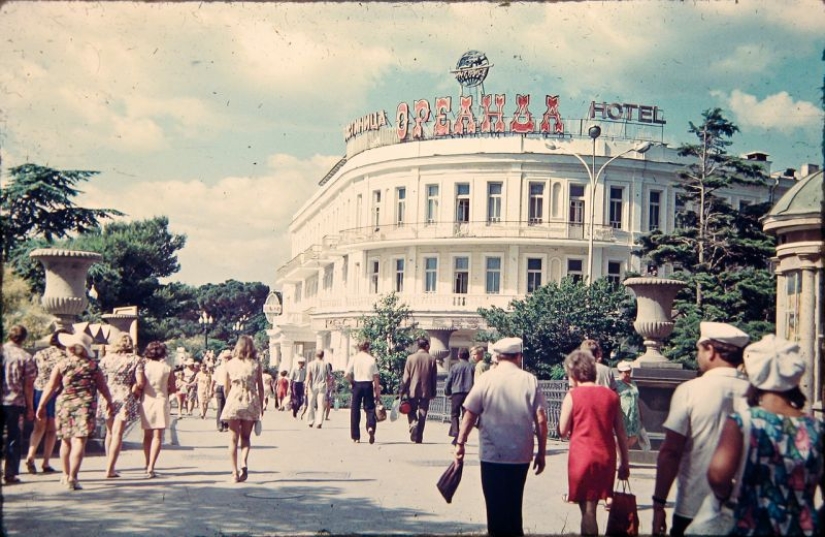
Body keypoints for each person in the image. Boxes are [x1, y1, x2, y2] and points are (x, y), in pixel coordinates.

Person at [708, 334, 824, 536]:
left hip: (753, 525)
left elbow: (718, 475)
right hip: (802, 529)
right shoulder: (817, 428)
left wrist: (727, 497)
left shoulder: (742, 422)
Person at [652, 321, 751, 536]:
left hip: (693, 508)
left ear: (711, 350)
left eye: (699, 349)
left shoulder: (690, 391)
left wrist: (659, 503)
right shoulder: (756, 394)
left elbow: (671, 452)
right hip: (745, 513)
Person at [454, 337, 547, 537]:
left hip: (492, 454)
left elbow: (470, 413)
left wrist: (460, 443)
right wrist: (542, 452)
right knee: (514, 506)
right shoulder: (529, 380)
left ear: (497, 356)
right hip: (520, 454)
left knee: (495, 509)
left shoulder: (487, 378)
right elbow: (541, 419)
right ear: (518, 357)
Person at [559, 349, 631, 536]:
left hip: (582, 456)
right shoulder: (611, 396)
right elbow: (621, 433)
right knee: (597, 503)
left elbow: (562, 430)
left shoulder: (572, 396)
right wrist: (624, 462)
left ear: (574, 373)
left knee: (588, 511)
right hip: (605, 457)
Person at [36, 331, 113, 490]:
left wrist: (41, 405)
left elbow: (51, 386)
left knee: (65, 440)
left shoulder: (62, 364)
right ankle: (73, 477)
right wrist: (110, 402)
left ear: (70, 347)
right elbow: (102, 387)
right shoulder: (92, 366)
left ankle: (65, 474)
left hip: (65, 404)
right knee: (79, 441)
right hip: (85, 405)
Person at [220, 335, 264, 483]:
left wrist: (229, 401)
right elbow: (261, 387)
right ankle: (243, 463)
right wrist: (262, 405)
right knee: (245, 437)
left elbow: (226, 387)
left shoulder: (230, 364)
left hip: (234, 400)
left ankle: (234, 473)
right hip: (250, 401)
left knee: (232, 439)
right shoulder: (256, 364)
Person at [24, 329, 69, 475]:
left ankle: (30, 455)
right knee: (52, 430)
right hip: (56, 392)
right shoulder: (66, 356)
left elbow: (32, 375)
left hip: (39, 391)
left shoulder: (39, 354)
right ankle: (46, 462)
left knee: (38, 427)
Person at [98, 334, 141, 478]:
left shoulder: (106, 359)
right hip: (124, 394)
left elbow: (100, 379)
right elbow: (140, 382)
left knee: (109, 433)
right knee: (118, 434)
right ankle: (110, 468)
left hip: (107, 394)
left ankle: (108, 464)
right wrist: (134, 394)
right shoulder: (135, 360)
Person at [134, 341, 176, 478]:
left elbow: (140, 384)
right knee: (158, 436)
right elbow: (173, 388)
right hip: (161, 400)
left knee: (147, 435)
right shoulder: (167, 368)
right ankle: (151, 466)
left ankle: (146, 463)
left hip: (146, 401)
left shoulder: (144, 367)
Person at [2, 325, 36, 485]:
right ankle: (10, 473)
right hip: (15, 401)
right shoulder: (25, 357)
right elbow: (29, 385)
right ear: (24, 338)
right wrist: (30, 407)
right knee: (14, 437)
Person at [400, 337, 437, 443]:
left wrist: (402, 391)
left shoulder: (410, 358)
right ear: (427, 346)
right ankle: (419, 436)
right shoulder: (432, 359)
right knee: (423, 412)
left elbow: (406, 377)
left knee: (411, 410)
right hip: (426, 390)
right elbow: (433, 378)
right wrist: (433, 392)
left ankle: (413, 423)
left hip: (413, 389)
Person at [345, 340, 380, 444]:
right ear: (368, 347)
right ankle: (370, 427)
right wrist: (377, 391)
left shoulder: (354, 358)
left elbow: (346, 374)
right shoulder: (371, 359)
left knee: (355, 410)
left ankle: (356, 436)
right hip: (368, 384)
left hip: (357, 384)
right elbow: (376, 377)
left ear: (358, 348)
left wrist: (352, 382)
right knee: (370, 408)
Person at [444, 347, 475, 445]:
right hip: (469, 393)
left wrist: (447, 392)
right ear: (468, 356)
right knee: (466, 415)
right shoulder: (472, 367)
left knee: (454, 414)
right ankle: (463, 435)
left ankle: (456, 432)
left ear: (458, 356)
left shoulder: (454, 367)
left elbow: (449, 381)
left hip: (456, 393)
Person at [615, 360, 642, 448]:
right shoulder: (616, 383)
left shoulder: (633, 383)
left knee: (633, 438)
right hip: (623, 416)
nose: (627, 374)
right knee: (620, 441)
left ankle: (623, 456)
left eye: (629, 372)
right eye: (625, 372)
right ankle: (620, 459)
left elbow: (637, 399)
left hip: (634, 417)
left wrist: (641, 415)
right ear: (619, 372)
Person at [306, 350, 331, 428]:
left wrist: (306, 386)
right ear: (323, 356)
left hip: (312, 386)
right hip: (322, 386)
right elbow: (328, 377)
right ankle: (319, 422)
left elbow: (308, 376)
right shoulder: (326, 364)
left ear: (315, 355)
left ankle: (310, 421)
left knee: (310, 404)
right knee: (321, 405)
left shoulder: (310, 364)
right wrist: (329, 386)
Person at [212, 350, 231, 431]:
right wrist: (211, 390)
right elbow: (214, 380)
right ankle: (220, 424)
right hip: (220, 386)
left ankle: (226, 424)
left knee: (228, 407)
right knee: (220, 407)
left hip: (230, 387)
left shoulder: (232, 367)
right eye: (226, 357)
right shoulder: (219, 368)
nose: (227, 359)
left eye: (229, 357)